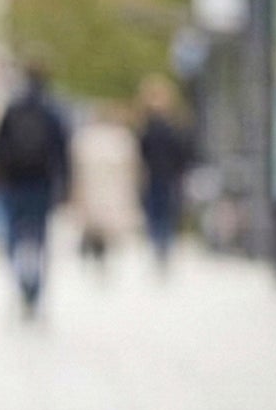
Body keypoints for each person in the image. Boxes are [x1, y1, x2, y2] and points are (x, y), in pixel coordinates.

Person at [0, 62, 71, 316]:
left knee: (15, 233)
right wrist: (65, 184)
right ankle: (35, 287)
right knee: (39, 235)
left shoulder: (13, 109)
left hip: (14, 183)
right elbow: (61, 151)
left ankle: (21, 278)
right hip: (42, 182)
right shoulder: (52, 110)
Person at [69, 104, 140, 269]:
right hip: (109, 190)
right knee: (103, 223)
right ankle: (98, 251)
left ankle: (97, 250)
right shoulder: (121, 138)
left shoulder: (86, 138)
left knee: (97, 223)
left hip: (95, 189)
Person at [138, 75, 194, 267]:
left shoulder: (149, 129)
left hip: (158, 176)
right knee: (165, 214)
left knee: (157, 214)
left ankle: (159, 246)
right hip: (167, 177)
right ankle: (163, 247)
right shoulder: (173, 127)